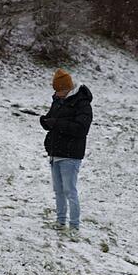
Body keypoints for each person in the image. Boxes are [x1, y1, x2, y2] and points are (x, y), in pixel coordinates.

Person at [39, 68, 93, 234]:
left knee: (70, 191)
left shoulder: (82, 103)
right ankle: (61, 222)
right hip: (55, 153)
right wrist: (46, 122)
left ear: (68, 88)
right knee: (58, 190)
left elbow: (81, 129)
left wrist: (57, 123)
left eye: (60, 90)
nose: (57, 94)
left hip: (71, 155)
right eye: (55, 90)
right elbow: (53, 119)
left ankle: (74, 226)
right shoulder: (58, 100)